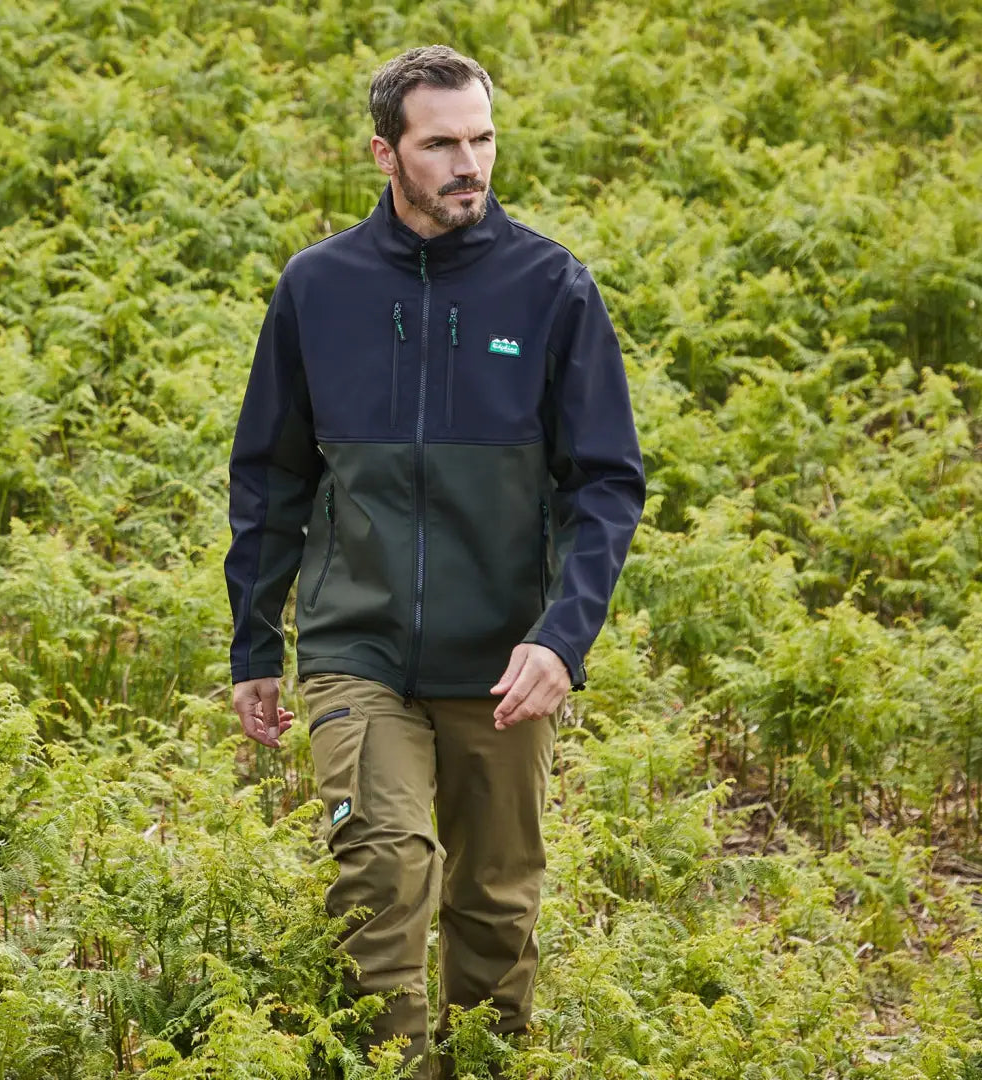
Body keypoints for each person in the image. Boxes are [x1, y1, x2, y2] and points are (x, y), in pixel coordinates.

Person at [224, 44, 645, 1080]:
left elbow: (605, 484)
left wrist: (563, 637)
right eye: (442, 143)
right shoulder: (317, 288)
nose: (470, 163)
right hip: (354, 645)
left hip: (504, 660)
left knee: (496, 906)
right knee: (380, 872)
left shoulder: (550, 287)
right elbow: (270, 476)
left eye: (483, 138)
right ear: (385, 152)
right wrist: (252, 642)